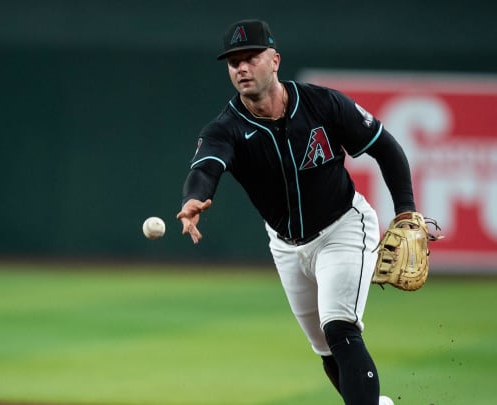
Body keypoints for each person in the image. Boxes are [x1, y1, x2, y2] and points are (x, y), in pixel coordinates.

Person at [176, 19, 416, 405]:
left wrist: (405, 211)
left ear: (274, 60)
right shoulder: (227, 127)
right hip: (285, 245)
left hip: (344, 228)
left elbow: (385, 147)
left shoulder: (323, 104)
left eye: (250, 57)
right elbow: (206, 167)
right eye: (233, 61)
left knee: (340, 329)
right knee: (325, 348)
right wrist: (194, 198)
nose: (241, 68)